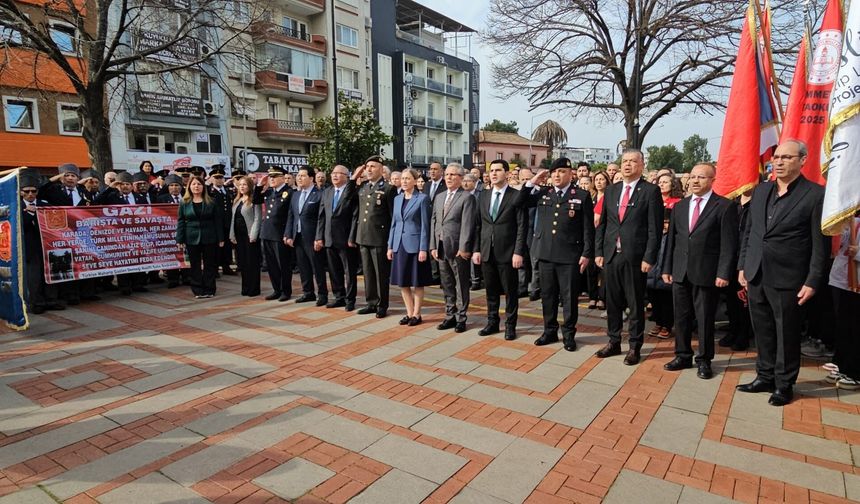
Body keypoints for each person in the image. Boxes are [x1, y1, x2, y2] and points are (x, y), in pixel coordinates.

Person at [737, 140, 828, 406]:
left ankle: (784, 384)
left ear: (802, 160)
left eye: (787, 157)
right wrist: (743, 264)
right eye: (776, 157)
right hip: (756, 273)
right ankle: (764, 376)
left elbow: (819, 244)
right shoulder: (761, 191)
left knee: (786, 333)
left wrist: (812, 280)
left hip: (790, 278)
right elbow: (750, 233)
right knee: (762, 330)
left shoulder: (814, 195)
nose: (778, 162)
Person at [661, 163, 738, 379]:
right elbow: (672, 241)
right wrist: (667, 267)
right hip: (680, 271)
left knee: (704, 318)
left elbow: (729, 244)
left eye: (701, 177)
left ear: (713, 180)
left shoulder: (724, 206)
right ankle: (682, 355)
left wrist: (724, 273)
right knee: (681, 317)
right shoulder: (680, 206)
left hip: (707, 272)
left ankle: (704, 359)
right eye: (692, 177)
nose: (695, 181)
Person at [594, 149, 663, 365]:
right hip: (611, 255)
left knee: (634, 304)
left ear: (641, 165)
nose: (627, 165)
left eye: (633, 161)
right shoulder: (612, 190)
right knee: (612, 302)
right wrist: (598, 252)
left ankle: (634, 346)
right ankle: (613, 341)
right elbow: (603, 224)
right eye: (624, 161)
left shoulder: (650, 191)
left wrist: (649, 257)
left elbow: (655, 228)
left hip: (635, 256)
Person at [523, 158, 594, 350]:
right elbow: (520, 201)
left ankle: (569, 334)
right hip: (546, 254)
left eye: (561, 171)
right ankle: (549, 331)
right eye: (553, 172)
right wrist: (533, 181)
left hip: (570, 256)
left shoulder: (581, 195)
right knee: (548, 296)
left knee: (569, 298)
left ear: (570, 174)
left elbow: (588, 228)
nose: (556, 175)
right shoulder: (543, 193)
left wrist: (587, 253)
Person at [473, 160, 528, 340]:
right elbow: (478, 225)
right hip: (487, 251)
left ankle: (510, 326)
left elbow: (522, 226)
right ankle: (492, 322)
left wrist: (518, 252)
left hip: (508, 252)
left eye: (498, 170)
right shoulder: (484, 196)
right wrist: (476, 250)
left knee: (510, 292)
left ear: (506, 173)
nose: (494, 174)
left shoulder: (515, 196)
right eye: (492, 170)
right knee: (490, 290)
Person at [38, 163, 99, 304]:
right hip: (61, 234)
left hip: (82, 234)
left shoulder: (83, 191)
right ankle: (70, 294)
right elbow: (39, 191)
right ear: (61, 177)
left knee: (85, 261)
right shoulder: (53, 190)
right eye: (67, 175)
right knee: (66, 263)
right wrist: (53, 179)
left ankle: (87, 292)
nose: (70, 178)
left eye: (73, 176)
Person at [430, 162, 477, 333]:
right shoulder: (440, 196)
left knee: (461, 284)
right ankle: (449, 315)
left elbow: (468, 224)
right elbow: (434, 222)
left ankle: (461, 318)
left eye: (453, 175)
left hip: (457, 248)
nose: (449, 178)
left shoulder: (467, 197)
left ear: (461, 178)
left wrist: (464, 247)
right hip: (441, 247)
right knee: (447, 283)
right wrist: (433, 245)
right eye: (447, 175)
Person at [354, 156, 398, 318]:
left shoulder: (388, 188)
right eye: (367, 167)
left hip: (380, 238)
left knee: (381, 274)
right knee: (368, 272)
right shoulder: (363, 187)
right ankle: (371, 302)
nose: (369, 169)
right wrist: (354, 177)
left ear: (381, 169)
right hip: (363, 236)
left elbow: (393, 216)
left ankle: (382, 304)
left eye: (373, 166)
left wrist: (391, 241)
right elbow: (350, 199)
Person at [388, 168, 432, 326]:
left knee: (417, 282)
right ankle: (408, 312)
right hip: (399, 244)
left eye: (408, 178)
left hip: (415, 246)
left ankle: (417, 314)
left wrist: (423, 248)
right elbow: (394, 224)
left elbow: (425, 226)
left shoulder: (422, 199)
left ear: (415, 180)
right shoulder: (397, 199)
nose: (404, 181)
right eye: (402, 179)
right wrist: (390, 246)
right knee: (403, 282)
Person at [316, 165, 360, 311]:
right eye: (333, 173)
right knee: (334, 271)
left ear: (346, 177)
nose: (335, 176)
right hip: (329, 238)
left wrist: (352, 237)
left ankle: (350, 299)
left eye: (339, 173)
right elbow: (321, 216)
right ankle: (339, 297)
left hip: (345, 238)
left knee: (349, 271)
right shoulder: (327, 192)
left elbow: (355, 217)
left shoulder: (351, 192)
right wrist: (319, 237)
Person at [825, 212, 860, 389]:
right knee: (842, 324)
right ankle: (842, 364)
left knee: (855, 326)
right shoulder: (850, 216)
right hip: (842, 279)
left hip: (857, 280)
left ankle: (855, 371)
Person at [20, 171, 63, 314]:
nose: (31, 194)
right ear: (21, 192)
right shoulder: (17, 206)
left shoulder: (44, 203)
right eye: (27, 191)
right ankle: (37, 302)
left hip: (47, 244)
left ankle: (52, 300)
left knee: (50, 272)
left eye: (34, 191)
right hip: (29, 246)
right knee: (34, 276)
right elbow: (20, 225)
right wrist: (29, 213)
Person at [176, 177, 224, 299]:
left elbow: (218, 221)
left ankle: (209, 289)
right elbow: (181, 221)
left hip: (210, 237)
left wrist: (221, 238)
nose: (196, 186)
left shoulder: (211, 201)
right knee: (195, 265)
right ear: (189, 187)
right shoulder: (184, 202)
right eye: (193, 184)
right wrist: (179, 239)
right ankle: (197, 289)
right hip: (191, 237)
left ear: (203, 186)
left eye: (199, 184)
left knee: (210, 265)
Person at [286, 166, 328, 306]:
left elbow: (321, 219)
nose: (299, 178)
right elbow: (291, 216)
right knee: (303, 266)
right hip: (298, 236)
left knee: (317, 267)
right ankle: (308, 292)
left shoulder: (319, 194)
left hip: (312, 237)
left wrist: (319, 237)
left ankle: (322, 294)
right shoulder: (296, 195)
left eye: (302, 176)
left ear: (311, 178)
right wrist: (288, 234)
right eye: (298, 175)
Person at [258, 166, 295, 302]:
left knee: (283, 265)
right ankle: (276, 290)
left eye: (274, 177)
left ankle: (286, 291)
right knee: (271, 264)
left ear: (282, 178)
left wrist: (288, 234)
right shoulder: (269, 192)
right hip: (267, 233)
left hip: (280, 234)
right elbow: (256, 199)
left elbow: (291, 215)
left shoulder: (289, 192)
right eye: (270, 177)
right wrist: (259, 185)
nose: (271, 179)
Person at [230, 175, 262, 296]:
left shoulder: (254, 200)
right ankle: (245, 287)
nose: (242, 187)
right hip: (239, 235)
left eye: (245, 185)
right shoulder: (237, 200)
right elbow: (234, 218)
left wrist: (253, 235)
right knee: (243, 262)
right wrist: (232, 235)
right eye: (240, 185)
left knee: (251, 263)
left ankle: (253, 289)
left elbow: (258, 218)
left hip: (250, 235)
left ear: (250, 186)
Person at [156, 174, 189, 289]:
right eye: (171, 185)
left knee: (185, 253)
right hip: (168, 231)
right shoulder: (161, 199)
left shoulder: (187, 197)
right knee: (171, 254)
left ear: (181, 187)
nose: (174, 188)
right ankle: (173, 278)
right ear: (168, 187)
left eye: (177, 185)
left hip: (185, 230)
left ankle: (187, 277)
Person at [589, 171, 611, 310]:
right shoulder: (591, 197)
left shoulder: (610, 196)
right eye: (596, 179)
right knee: (590, 268)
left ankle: (602, 297)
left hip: (605, 236)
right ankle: (592, 296)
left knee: (603, 269)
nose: (599, 182)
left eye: (602, 179)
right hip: (591, 235)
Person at [208, 165, 236, 276]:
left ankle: (226, 266)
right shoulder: (210, 191)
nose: (219, 180)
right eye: (216, 177)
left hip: (227, 222)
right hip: (215, 223)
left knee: (227, 246)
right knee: (216, 247)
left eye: (221, 177)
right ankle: (214, 268)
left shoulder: (227, 191)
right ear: (212, 179)